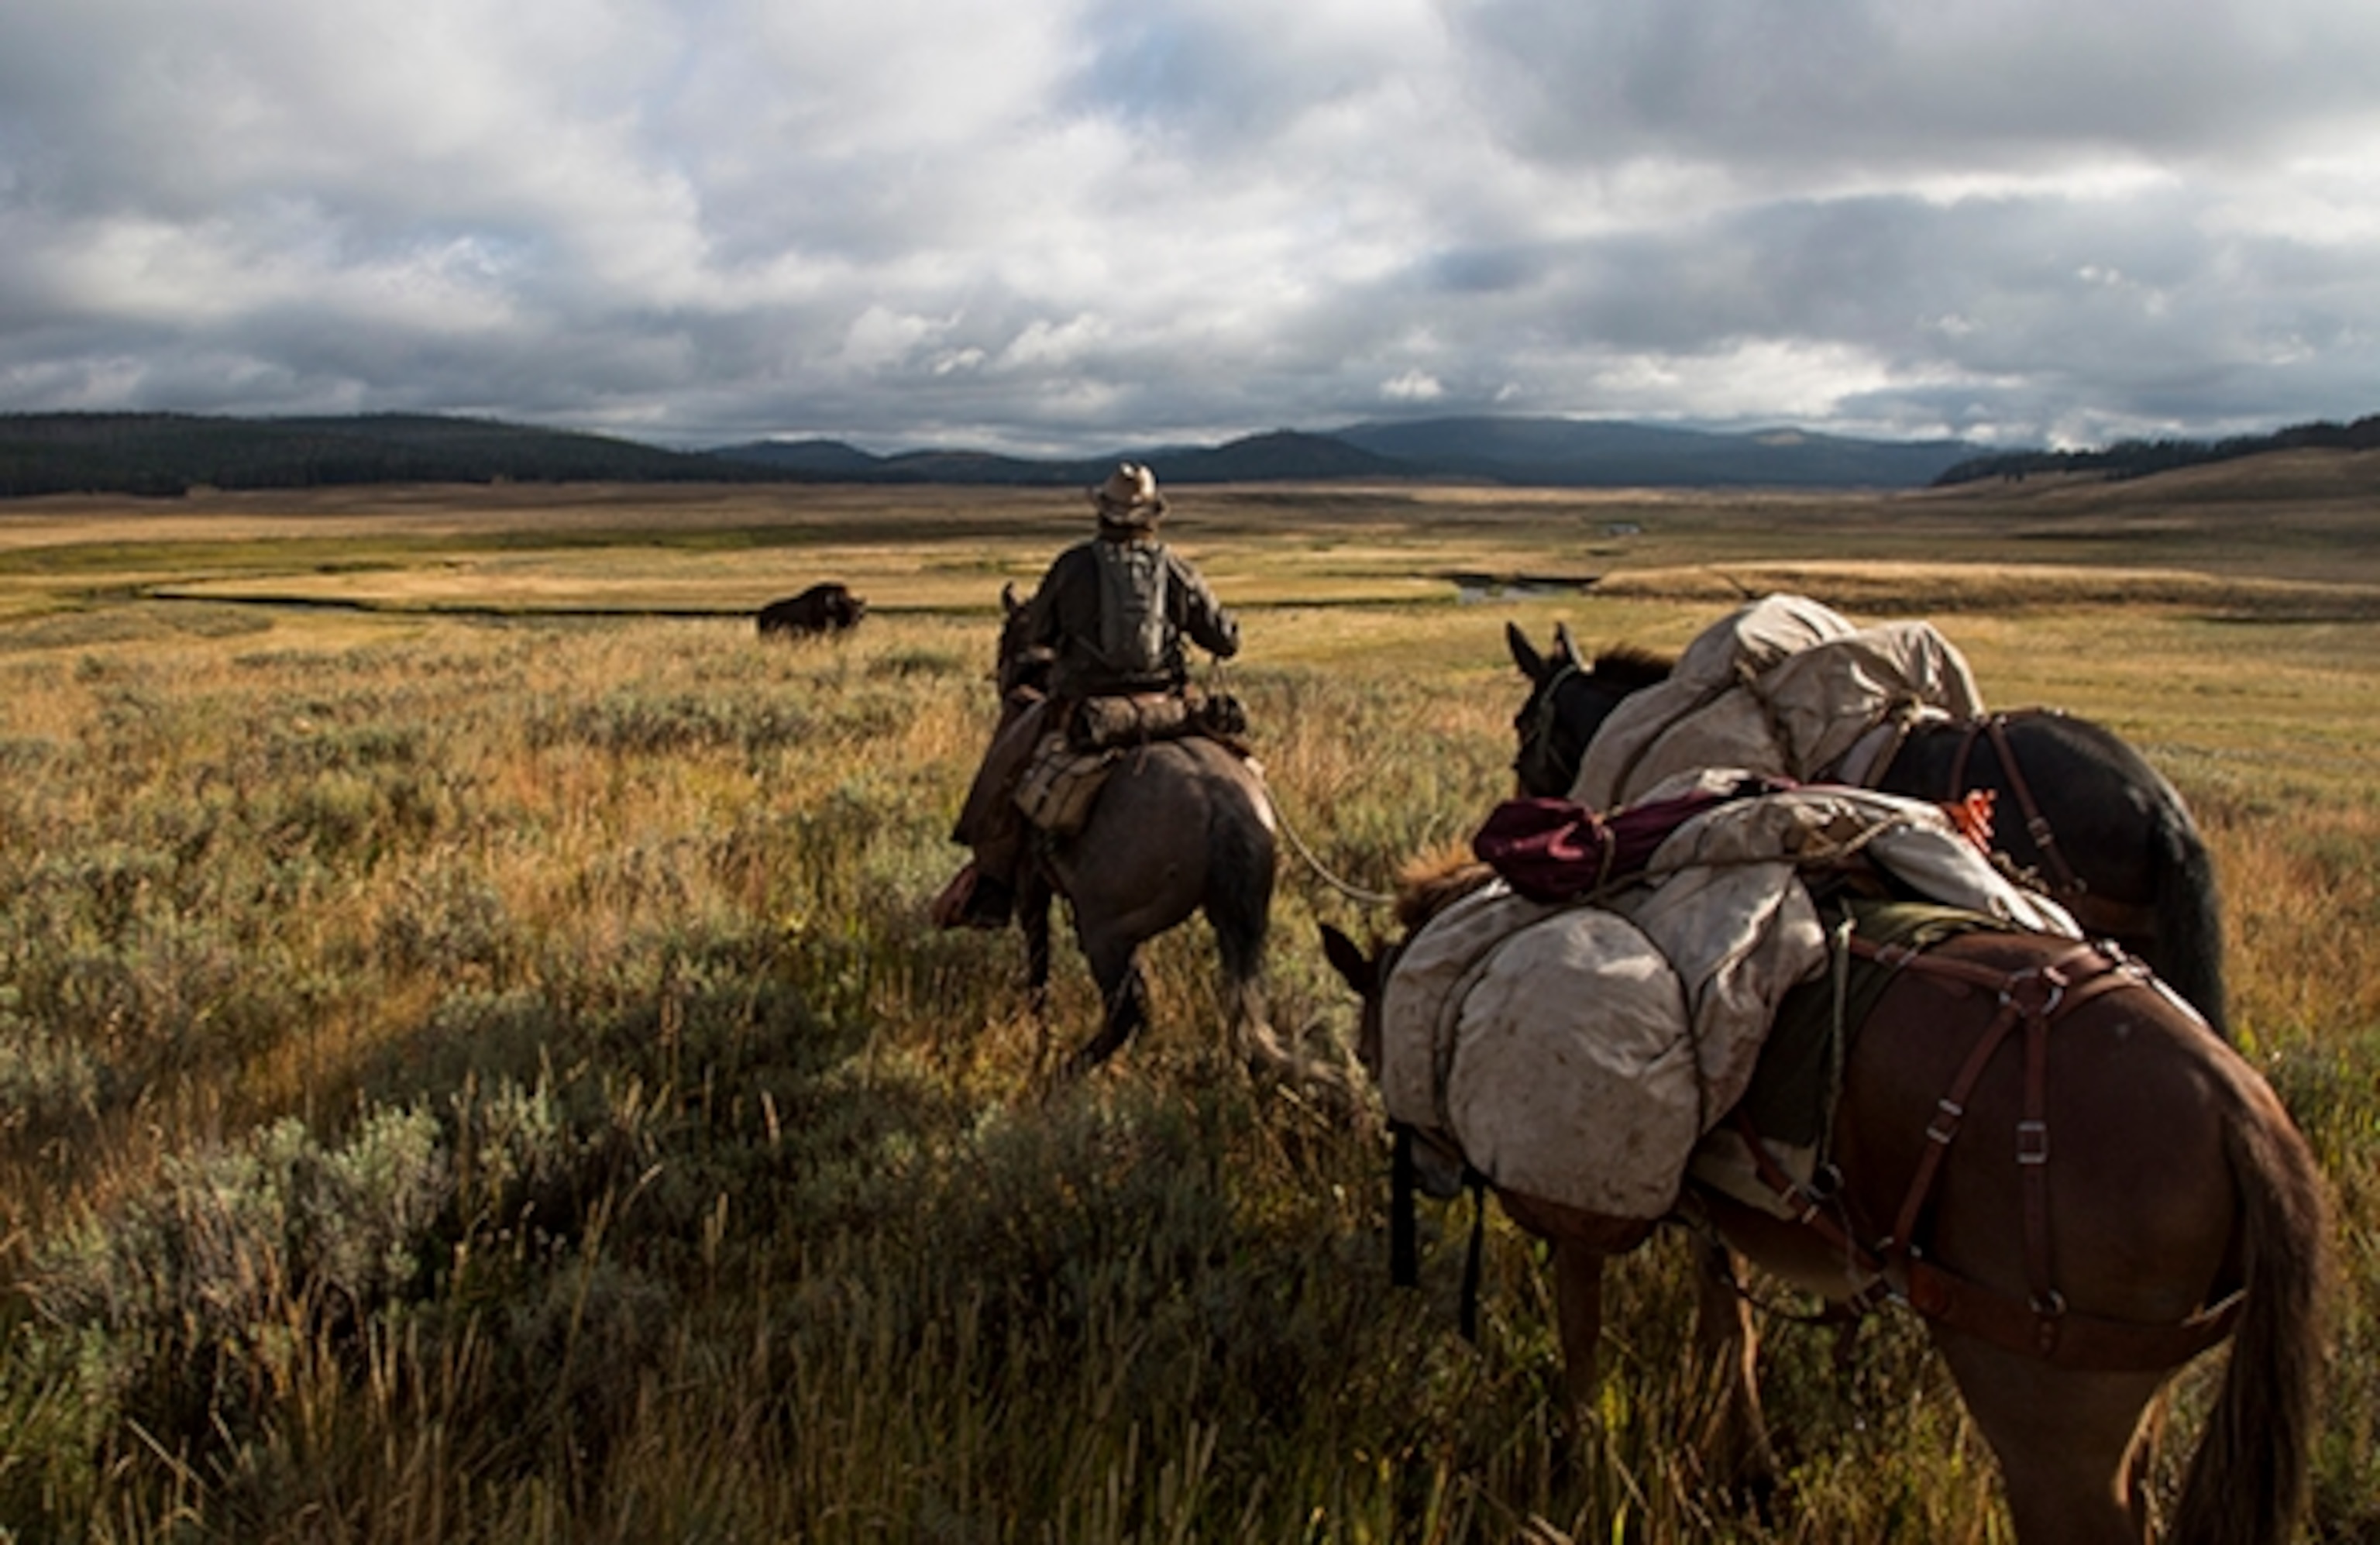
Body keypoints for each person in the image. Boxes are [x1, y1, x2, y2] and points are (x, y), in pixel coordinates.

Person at [935, 463, 1240, 928]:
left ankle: (994, 884)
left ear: (1103, 512)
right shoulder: (1176, 567)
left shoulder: (1073, 564)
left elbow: (1039, 633)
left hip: (1086, 707)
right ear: (1151, 516)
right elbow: (1225, 641)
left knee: (1007, 765)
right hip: (1173, 709)